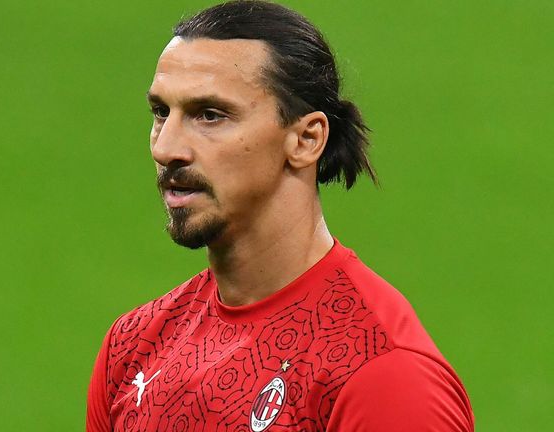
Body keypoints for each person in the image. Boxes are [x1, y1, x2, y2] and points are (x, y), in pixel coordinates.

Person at [86, 1, 474, 431]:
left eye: (210, 115)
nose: (166, 148)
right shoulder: (133, 348)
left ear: (306, 139)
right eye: (162, 113)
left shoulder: (382, 373)